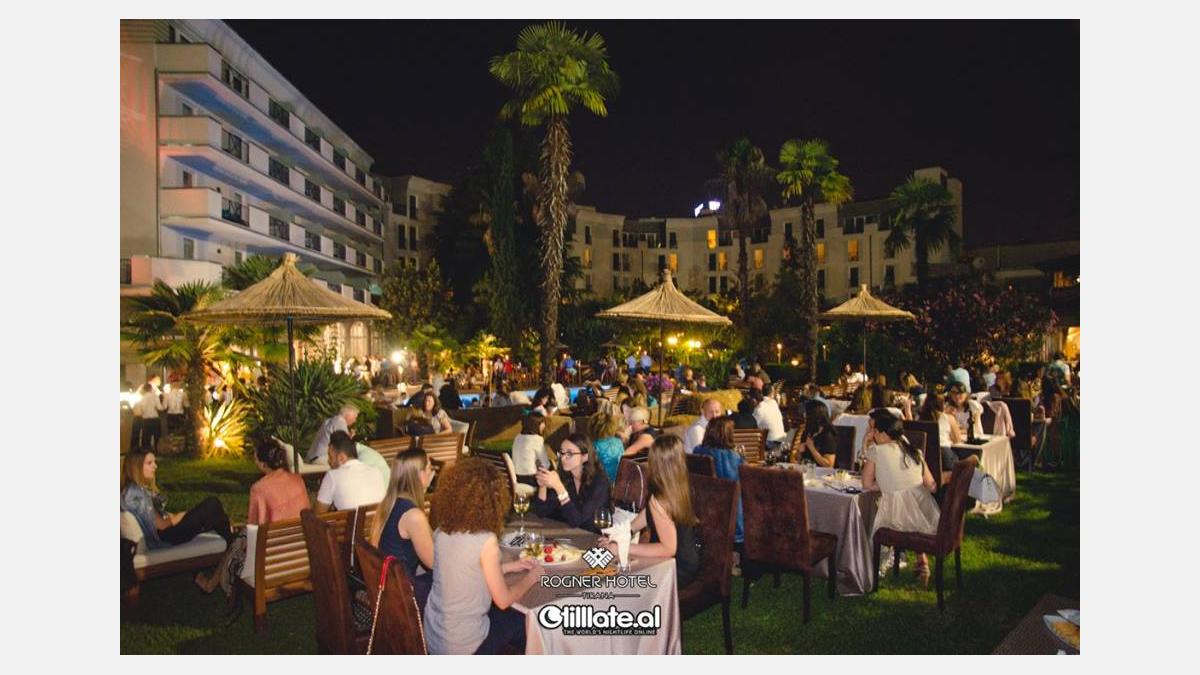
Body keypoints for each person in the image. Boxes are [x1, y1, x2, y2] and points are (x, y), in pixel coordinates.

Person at [424, 458, 544, 654]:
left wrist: (510, 567)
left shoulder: (442, 531)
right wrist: (532, 577)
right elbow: (503, 600)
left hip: (435, 636)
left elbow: (467, 571)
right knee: (530, 623)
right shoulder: (485, 540)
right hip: (464, 644)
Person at [196, 440, 310, 594]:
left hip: (274, 559)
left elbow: (254, 530)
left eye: (255, 460)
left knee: (237, 541)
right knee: (240, 537)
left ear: (263, 465)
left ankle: (211, 584)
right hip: (301, 552)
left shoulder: (259, 488)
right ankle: (211, 583)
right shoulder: (298, 480)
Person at [600, 435, 701, 587]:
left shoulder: (659, 500)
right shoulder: (681, 487)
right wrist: (621, 533)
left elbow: (668, 549)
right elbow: (648, 513)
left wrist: (622, 547)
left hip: (673, 567)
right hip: (690, 560)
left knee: (614, 580)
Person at [861, 411, 940, 585]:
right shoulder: (914, 451)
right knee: (911, 513)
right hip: (924, 510)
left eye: (873, 430)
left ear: (883, 434)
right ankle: (922, 561)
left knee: (875, 510)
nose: (871, 433)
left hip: (896, 515)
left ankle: (870, 563)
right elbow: (931, 485)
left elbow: (866, 484)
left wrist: (884, 484)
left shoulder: (876, 451)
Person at [121, 451, 233, 558]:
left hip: (165, 534)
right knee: (212, 504)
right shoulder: (137, 496)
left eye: (154, 462)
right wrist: (180, 515)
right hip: (166, 538)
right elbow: (162, 526)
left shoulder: (133, 491)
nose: (155, 466)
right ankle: (231, 543)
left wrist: (176, 516)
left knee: (215, 515)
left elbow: (155, 517)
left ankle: (230, 540)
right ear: (136, 467)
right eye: (149, 463)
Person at [370, 447, 437, 609]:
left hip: (389, 587)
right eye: (430, 468)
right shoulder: (413, 516)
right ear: (420, 475)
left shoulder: (388, 503)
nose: (433, 473)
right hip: (404, 596)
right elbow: (435, 563)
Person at [533, 433, 612, 532]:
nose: (563, 458)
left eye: (569, 454)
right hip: (567, 533)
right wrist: (542, 486)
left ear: (584, 457)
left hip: (593, 536)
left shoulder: (599, 482)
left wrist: (559, 487)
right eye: (562, 453)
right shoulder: (565, 477)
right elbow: (541, 512)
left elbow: (576, 520)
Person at [692, 417, 745, 545]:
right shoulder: (730, 458)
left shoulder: (697, 452)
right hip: (732, 521)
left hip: (705, 513)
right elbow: (741, 487)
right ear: (727, 434)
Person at [314, 432, 386, 512]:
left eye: (330, 457)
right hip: (378, 520)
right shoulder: (377, 472)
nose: (329, 462)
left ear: (341, 458)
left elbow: (319, 513)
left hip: (353, 520)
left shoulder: (332, 476)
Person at [919, 392, 961, 483]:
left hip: (926, 456)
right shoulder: (948, 417)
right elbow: (957, 440)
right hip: (944, 455)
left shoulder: (920, 419)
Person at [588, 410, 626, 482]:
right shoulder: (618, 442)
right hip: (618, 479)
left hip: (602, 481)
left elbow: (591, 467)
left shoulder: (594, 445)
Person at [799, 399, 838, 467]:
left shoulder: (828, 435)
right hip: (807, 469)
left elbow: (829, 465)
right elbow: (799, 458)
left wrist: (812, 448)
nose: (804, 415)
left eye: (806, 413)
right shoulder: (808, 431)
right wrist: (799, 452)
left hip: (822, 472)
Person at [511, 413, 550, 481]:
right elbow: (546, 464)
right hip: (531, 478)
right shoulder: (537, 439)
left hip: (517, 477)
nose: (544, 425)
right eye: (542, 423)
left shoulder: (517, 437)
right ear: (536, 424)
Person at [132, 383, 164, 451]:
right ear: (150, 389)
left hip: (145, 420)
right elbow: (160, 408)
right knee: (157, 436)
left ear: (144, 390)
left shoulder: (141, 398)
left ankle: (147, 451)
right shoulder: (155, 396)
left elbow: (139, 411)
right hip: (155, 418)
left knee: (146, 438)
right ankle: (157, 450)